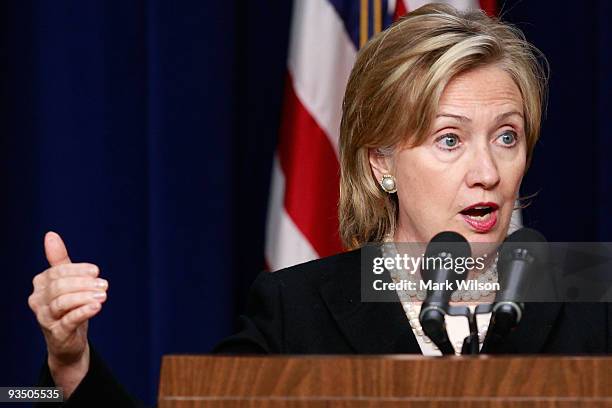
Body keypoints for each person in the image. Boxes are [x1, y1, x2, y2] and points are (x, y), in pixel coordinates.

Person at [28, 4, 611, 407]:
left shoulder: (591, 289)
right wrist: (70, 366)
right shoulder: (299, 308)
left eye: (506, 136)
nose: (487, 173)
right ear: (381, 163)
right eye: (449, 139)